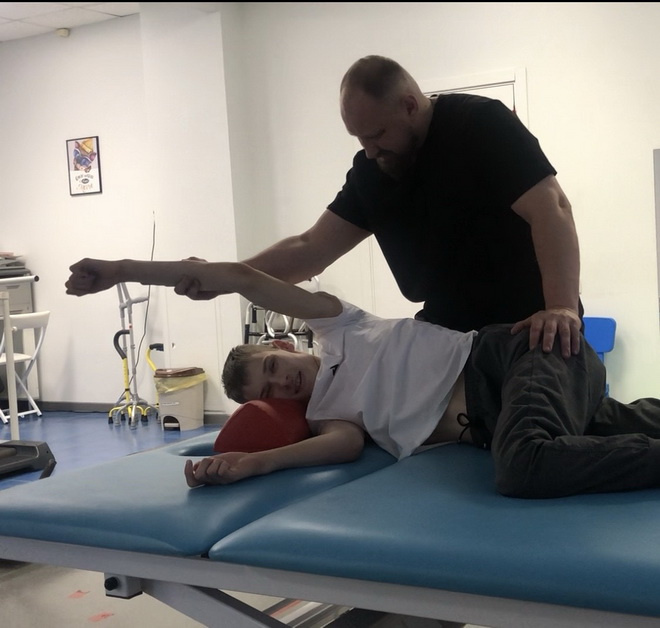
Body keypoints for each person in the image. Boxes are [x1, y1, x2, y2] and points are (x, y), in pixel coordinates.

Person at [65, 257, 660, 499]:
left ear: (281, 345)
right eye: (267, 392)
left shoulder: (339, 326)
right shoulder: (329, 418)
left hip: (518, 357)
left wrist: (123, 269)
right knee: (608, 427)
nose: (281, 385)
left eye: (273, 368)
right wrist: (251, 463)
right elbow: (342, 446)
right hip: (510, 411)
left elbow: (243, 278)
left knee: (525, 465)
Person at [174, 55, 582, 359]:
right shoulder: (372, 172)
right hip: (450, 337)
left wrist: (561, 307)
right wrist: (228, 277)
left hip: (530, 327)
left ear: (409, 105)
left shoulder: (478, 124)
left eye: (377, 134)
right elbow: (310, 248)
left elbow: (552, 208)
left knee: (531, 437)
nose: (369, 150)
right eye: (358, 138)